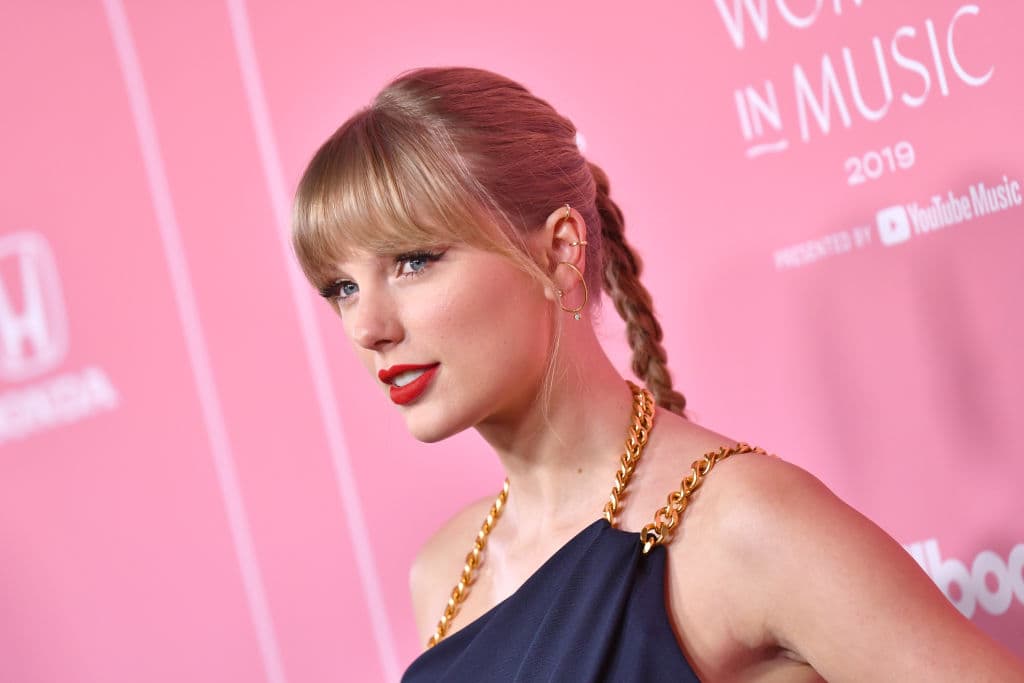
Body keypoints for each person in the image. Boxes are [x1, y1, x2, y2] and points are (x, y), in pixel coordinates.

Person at [290, 66, 1024, 681]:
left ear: (559, 251)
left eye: (414, 261)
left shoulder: (739, 524)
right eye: (341, 288)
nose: (366, 327)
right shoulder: (444, 571)